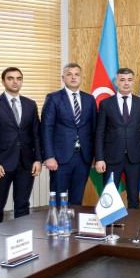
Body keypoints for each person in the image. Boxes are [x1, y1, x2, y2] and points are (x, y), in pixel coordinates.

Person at [0, 67, 42, 222]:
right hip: (1, 164)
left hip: (26, 163)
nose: (15, 82)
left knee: (23, 205)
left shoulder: (30, 104)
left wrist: (38, 159)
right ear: (3, 81)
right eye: (10, 78)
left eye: (18, 78)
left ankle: (22, 236)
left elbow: (36, 133)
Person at [94, 68, 140, 209]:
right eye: (122, 80)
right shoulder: (105, 104)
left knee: (134, 198)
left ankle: (134, 224)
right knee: (109, 198)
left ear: (133, 81)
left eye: (129, 80)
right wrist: (99, 158)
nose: (126, 83)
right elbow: (100, 132)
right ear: (116, 82)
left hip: (134, 158)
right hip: (111, 158)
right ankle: (111, 223)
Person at [42, 63, 97, 205]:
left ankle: (74, 220)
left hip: (84, 157)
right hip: (60, 158)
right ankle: (57, 221)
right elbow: (46, 128)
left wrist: (95, 155)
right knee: (58, 198)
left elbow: (94, 128)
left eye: (77, 74)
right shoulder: (53, 98)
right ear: (63, 78)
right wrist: (49, 156)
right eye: (69, 74)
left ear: (81, 77)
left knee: (77, 199)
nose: (73, 77)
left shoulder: (89, 99)